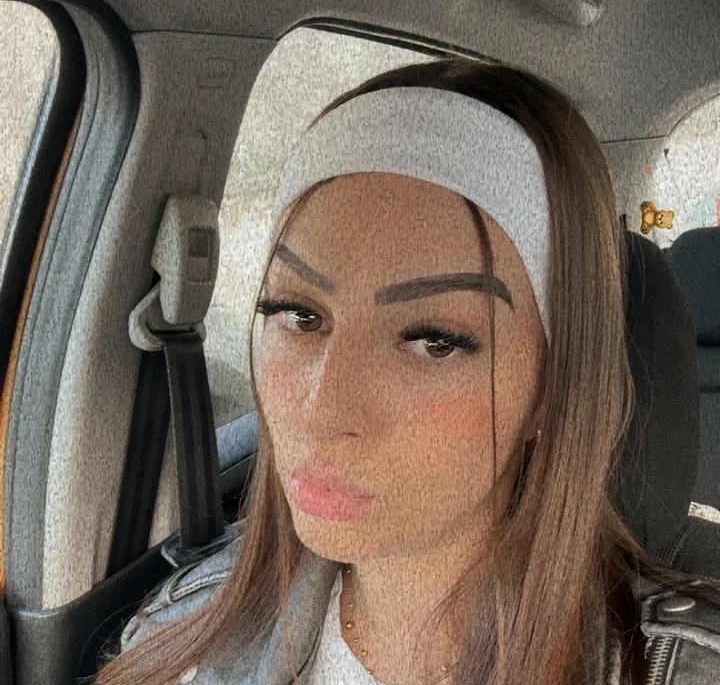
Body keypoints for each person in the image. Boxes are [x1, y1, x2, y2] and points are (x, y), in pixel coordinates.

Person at [93, 57, 720, 685]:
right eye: (298, 315)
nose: (322, 410)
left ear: (550, 390)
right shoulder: (180, 635)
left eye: (432, 342)